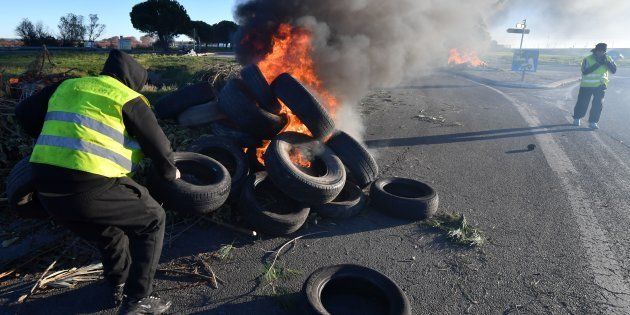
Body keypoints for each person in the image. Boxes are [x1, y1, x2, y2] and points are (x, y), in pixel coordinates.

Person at [15, 49, 178, 314]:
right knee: (153, 219)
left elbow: (22, 113)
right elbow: (159, 146)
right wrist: (171, 173)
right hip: (89, 185)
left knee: (109, 231)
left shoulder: (67, 86)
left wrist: (51, 134)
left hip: (45, 191)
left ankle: (117, 283)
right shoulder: (128, 97)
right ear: (133, 79)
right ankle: (139, 299)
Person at [573, 43, 617, 129]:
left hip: (600, 85)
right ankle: (577, 118)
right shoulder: (587, 59)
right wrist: (598, 64)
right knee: (582, 103)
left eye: (602, 51)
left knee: (598, 105)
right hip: (587, 85)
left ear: (605, 51)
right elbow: (585, 71)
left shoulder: (608, 58)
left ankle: (593, 122)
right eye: (599, 51)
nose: (600, 53)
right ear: (595, 50)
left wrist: (608, 63)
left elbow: (613, 71)